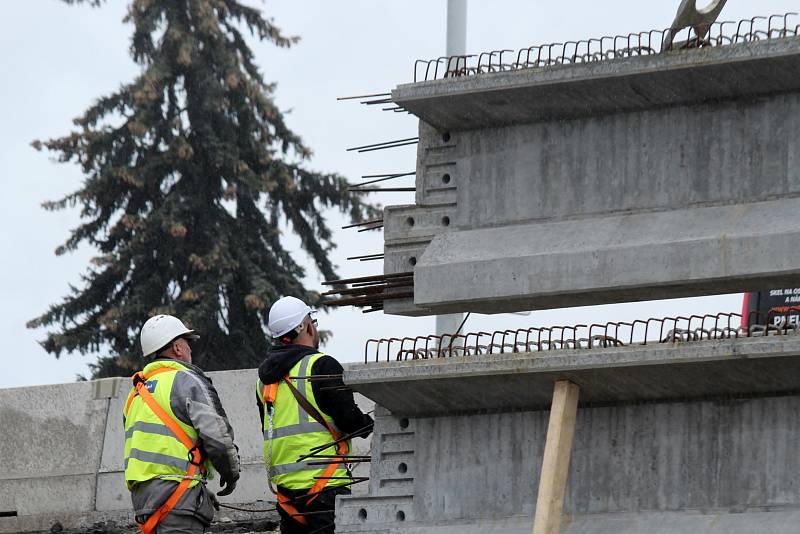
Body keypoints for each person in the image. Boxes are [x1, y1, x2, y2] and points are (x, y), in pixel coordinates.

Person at [257, 297, 374, 533]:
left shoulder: (264, 380)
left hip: (287, 494)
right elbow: (348, 419)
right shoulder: (322, 366)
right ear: (307, 326)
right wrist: (372, 424)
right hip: (326, 487)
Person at [123, 314, 241, 534]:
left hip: (144, 501)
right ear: (177, 348)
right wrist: (231, 472)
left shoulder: (136, 393)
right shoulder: (187, 380)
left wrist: (197, 489)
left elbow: (159, 447)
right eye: (188, 342)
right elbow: (218, 438)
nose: (190, 349)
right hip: (179, 497)